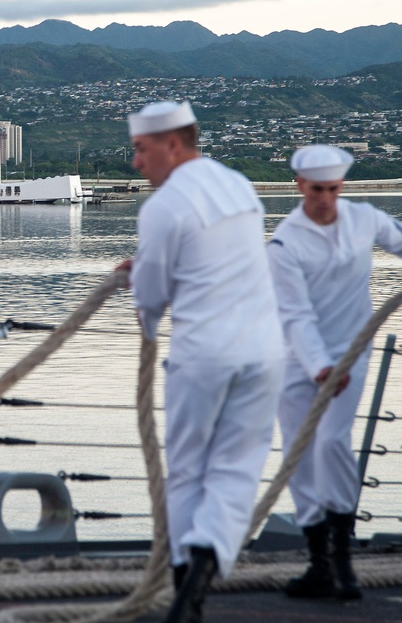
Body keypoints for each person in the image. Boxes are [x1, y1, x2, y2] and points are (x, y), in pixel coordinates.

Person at [120, 101, 285, 623]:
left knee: (189, 469)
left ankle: (183, 588)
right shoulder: (239, 185)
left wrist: (145, 326)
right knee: (238, 467)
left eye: (141, 150)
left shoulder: (164, 206)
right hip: (264, 351)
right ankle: (205, 565)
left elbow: (152, 291)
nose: (136, 164)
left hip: (204, 354)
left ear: (172, 144)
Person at [266, 144, 402, 600]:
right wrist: (319, 366)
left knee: (331, 441)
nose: (325, 197)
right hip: (297, 359)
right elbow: (295, 316)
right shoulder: (285, 243)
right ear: (300, 186)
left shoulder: (365, 218)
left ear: (340, 187)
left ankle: (342, 557)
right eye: (316, 189)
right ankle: (318, 561)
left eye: (333, 188)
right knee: (299, 455)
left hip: (351, 353)